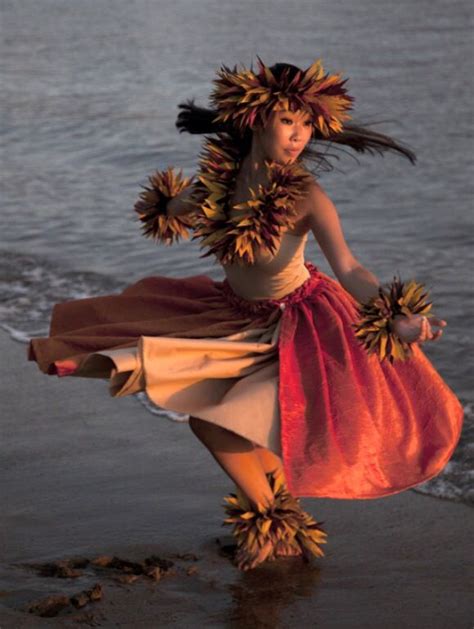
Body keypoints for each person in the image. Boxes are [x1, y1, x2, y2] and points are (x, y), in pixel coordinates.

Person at [28, 57, 464, 571]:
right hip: (233, 315)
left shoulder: (306, 194)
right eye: (287, 121)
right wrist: (168, 207)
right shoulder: (221, 181)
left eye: (306, 124)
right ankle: (280, 523)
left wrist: (396, 318)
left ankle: (270, 521)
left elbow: (349, 267)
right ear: (256, 120)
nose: (299, 135)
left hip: (300, 324)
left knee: (218, 426)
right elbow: (174, 210)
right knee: (225, 419)